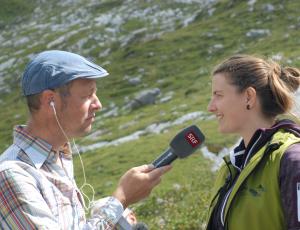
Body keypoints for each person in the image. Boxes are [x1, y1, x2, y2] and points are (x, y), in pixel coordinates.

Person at [0, 50, 171, 229]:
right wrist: (121, 199)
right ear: (50, 100)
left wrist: (112, 217)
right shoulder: (11, 176)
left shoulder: (57, 155)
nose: (98, 104)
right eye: (87, 96)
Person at [206, 54, 300, 230]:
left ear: (249, 97)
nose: (210, 107)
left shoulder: (292, 161)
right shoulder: (230, 168)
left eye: (218, 95)